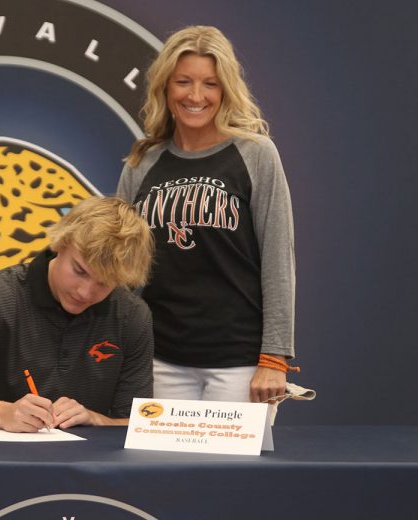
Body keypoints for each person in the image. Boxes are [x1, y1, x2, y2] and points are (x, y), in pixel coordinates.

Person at [117, 25, 297, 404]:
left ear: (225, 90)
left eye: (210, 84)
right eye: (184, 82)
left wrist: (274, 358)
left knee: (230, 467)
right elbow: (119, 267)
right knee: (156, 466)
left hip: (240, 364)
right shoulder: (142, 161)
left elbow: (278, 261)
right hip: (159, 359)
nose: (196, 96)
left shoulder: (256, 154)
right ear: (166, 86)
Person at [0, 196, 155, 432]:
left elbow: (139, 424)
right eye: (79, 271)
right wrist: (4, 414)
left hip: (90, 467)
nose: (85, 292)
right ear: (60, 243)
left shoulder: (131, 315)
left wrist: (96, 419)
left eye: (104, 283)